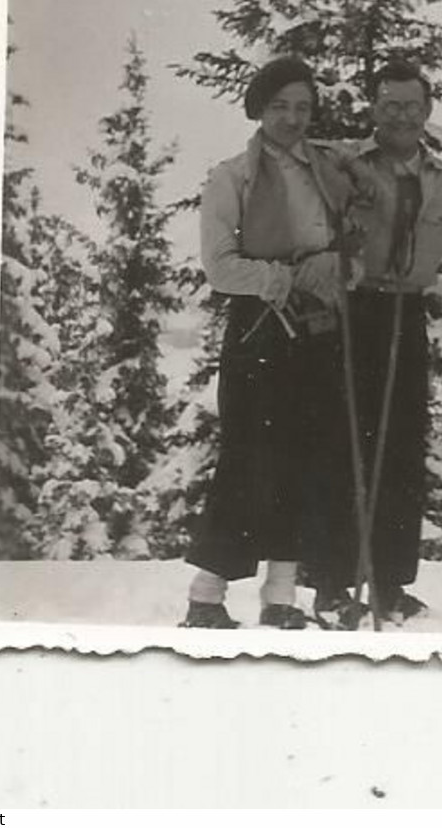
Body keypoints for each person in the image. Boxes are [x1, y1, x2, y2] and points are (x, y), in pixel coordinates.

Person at [309, 58, 442, 625]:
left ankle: (390, 584)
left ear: (427, 112)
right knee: (344, 449)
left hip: (408, 313)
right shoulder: (345, 162)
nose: (400, 116)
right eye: (390, 104)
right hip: (353, 309)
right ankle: (330, 584)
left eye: (411, 106)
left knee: (399, 452)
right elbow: (307, 170)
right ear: (374, 109)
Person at [181, 56, 354, 629]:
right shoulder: (233, 176)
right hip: (260, 330)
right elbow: (219, 266)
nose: (292, 119)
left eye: (303, 108)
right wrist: (279, 277)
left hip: (318, 330)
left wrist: (333, 266)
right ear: (260, 108)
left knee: (308, 460)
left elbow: (351, 240)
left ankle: (281, 600)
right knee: (248, 459)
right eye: (280, 107)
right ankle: (206, 598)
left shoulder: (326, 172)